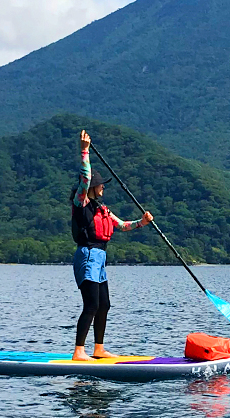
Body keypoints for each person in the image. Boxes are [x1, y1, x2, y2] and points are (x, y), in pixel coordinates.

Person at [71, 129, 153, 361]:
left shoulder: (101, 209)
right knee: (92, 304)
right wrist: (84, 150)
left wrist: (142, 222)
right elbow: (85, 177)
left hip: (100, 259)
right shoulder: (81, 203)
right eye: (100, 185)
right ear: (91, 187)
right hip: (87, 256)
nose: (103, 187)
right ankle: (79, 351)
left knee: (104, 304)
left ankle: (98, 348)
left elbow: (123, 225)